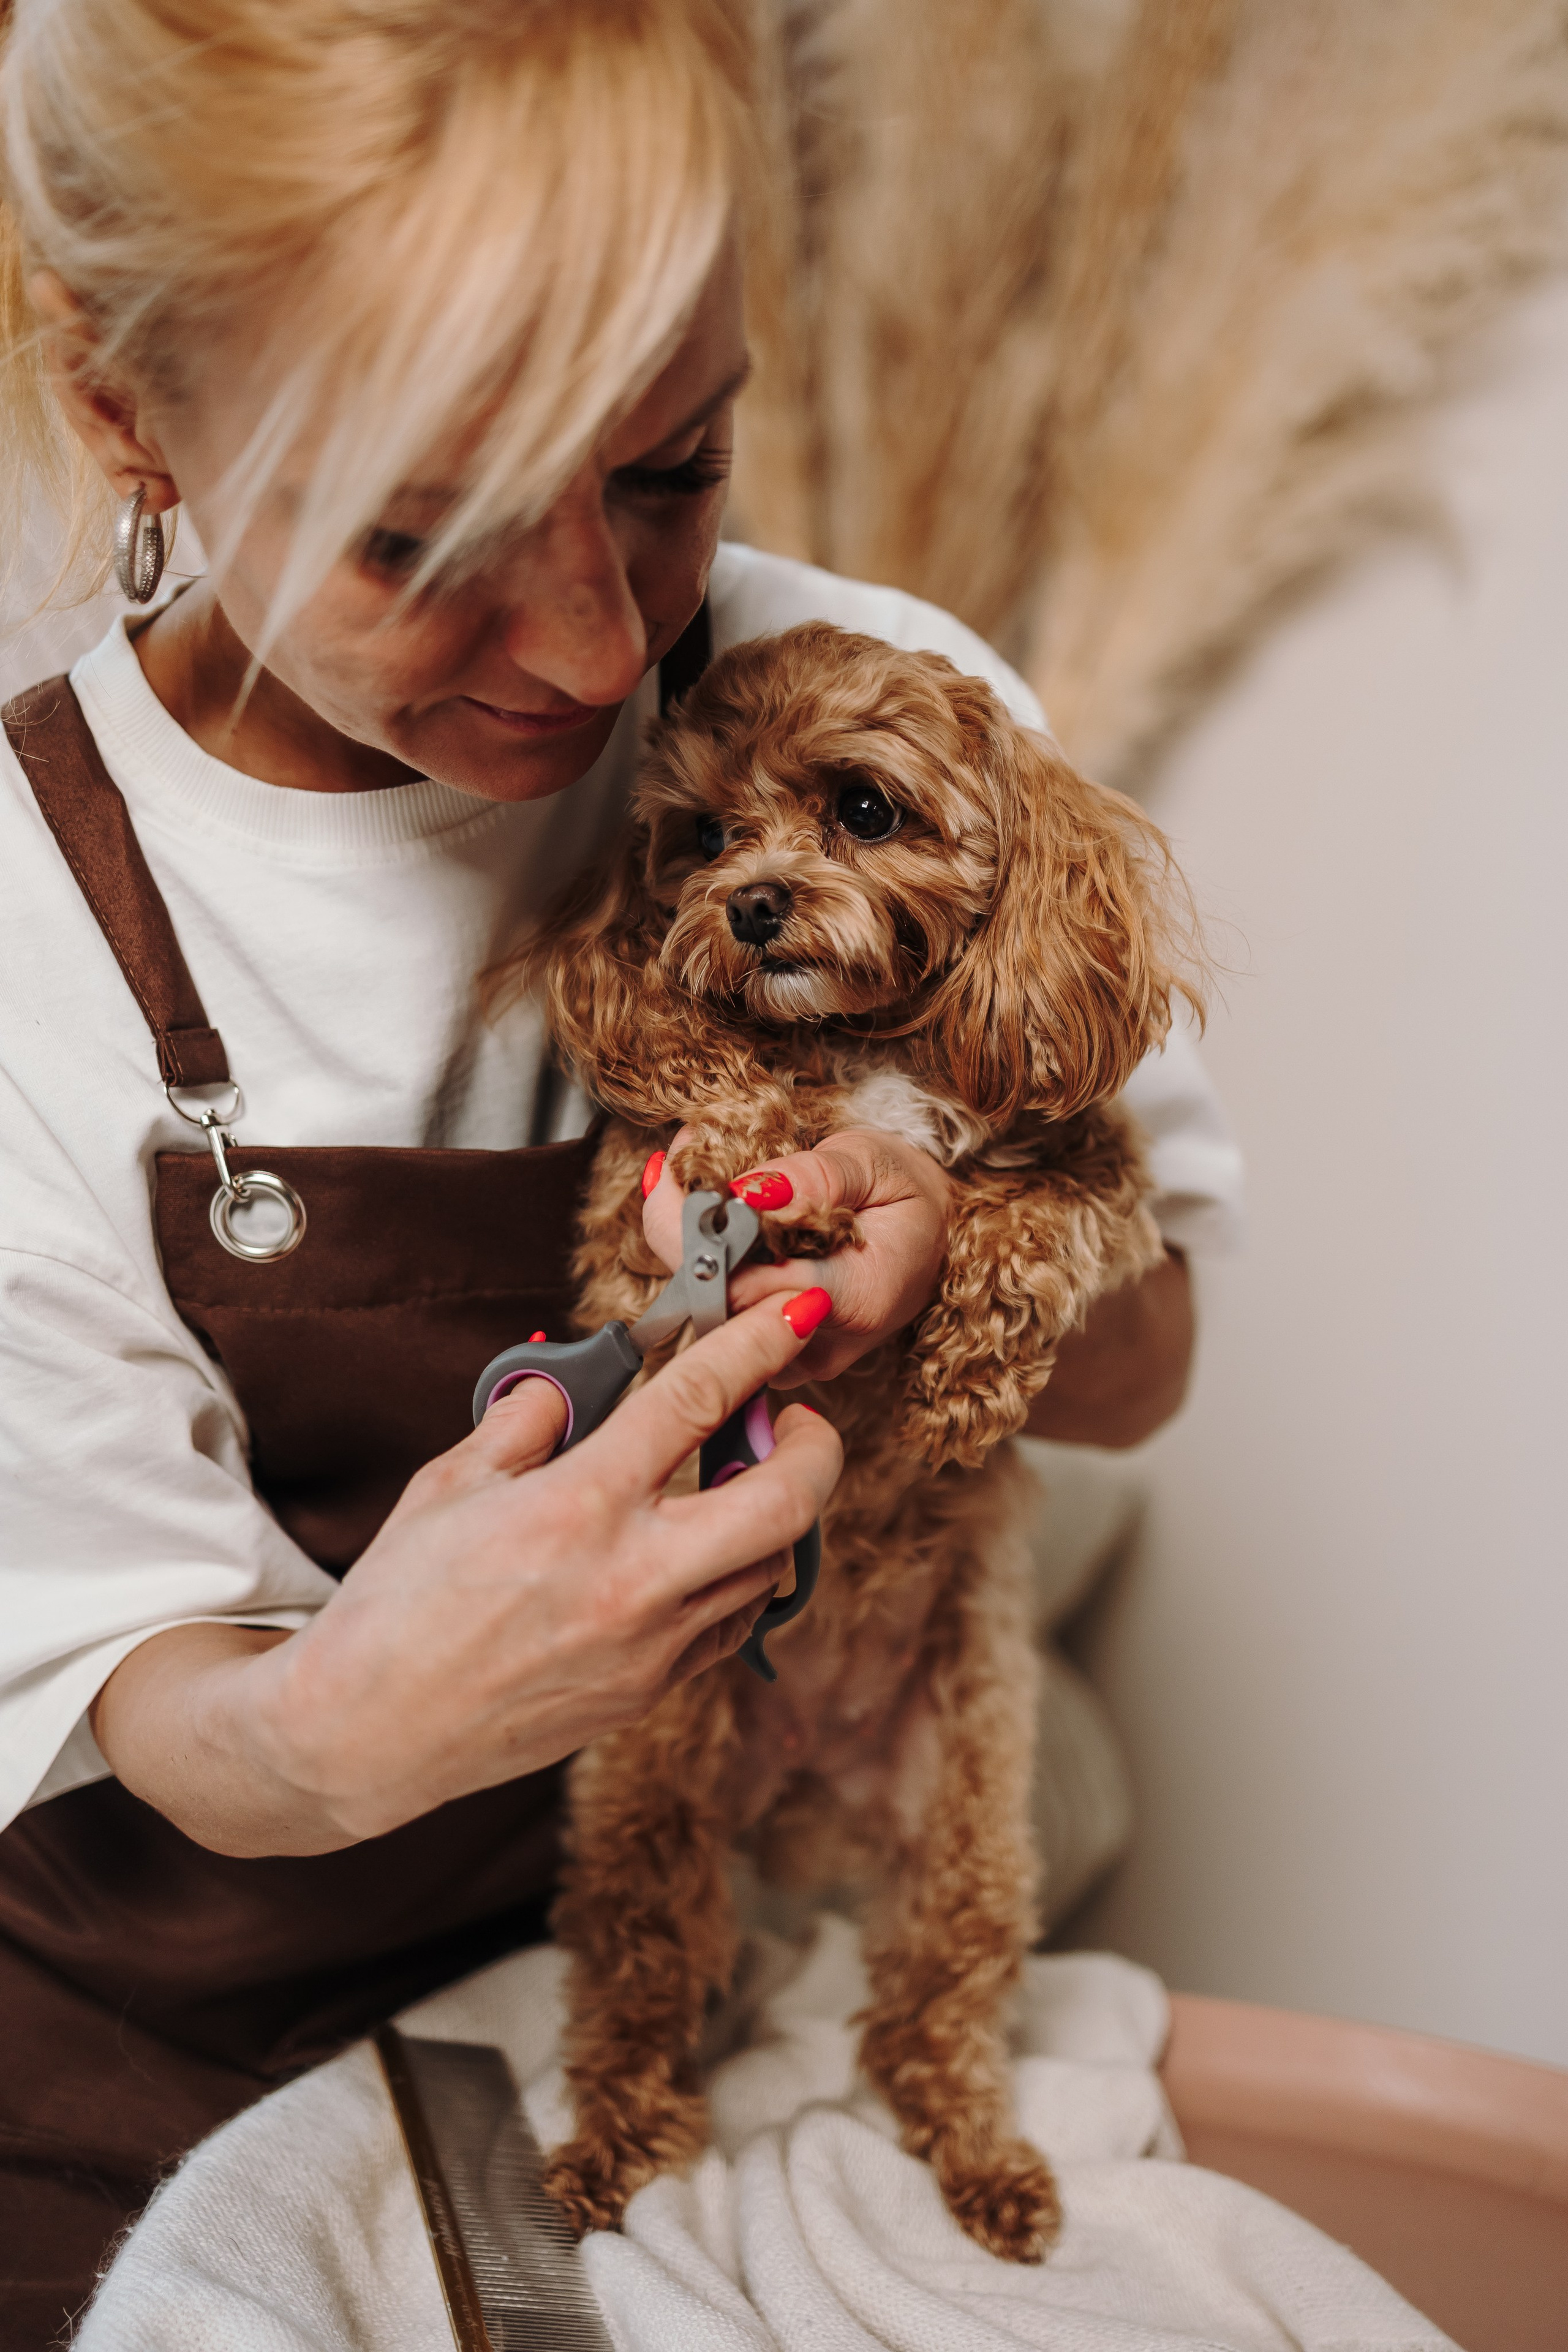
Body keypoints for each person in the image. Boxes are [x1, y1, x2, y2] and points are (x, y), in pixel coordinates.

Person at [0, 0, 1242, 2340]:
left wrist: (934, 1265)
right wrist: (339, 1725)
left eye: (673, 469)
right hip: (150, 2033)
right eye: (429, 531)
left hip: (699, 1944)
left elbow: (1150, 1360)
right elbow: (143, 1692)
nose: (591, 645)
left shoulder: (873, 683)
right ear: (126, 405)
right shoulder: (19, 925)